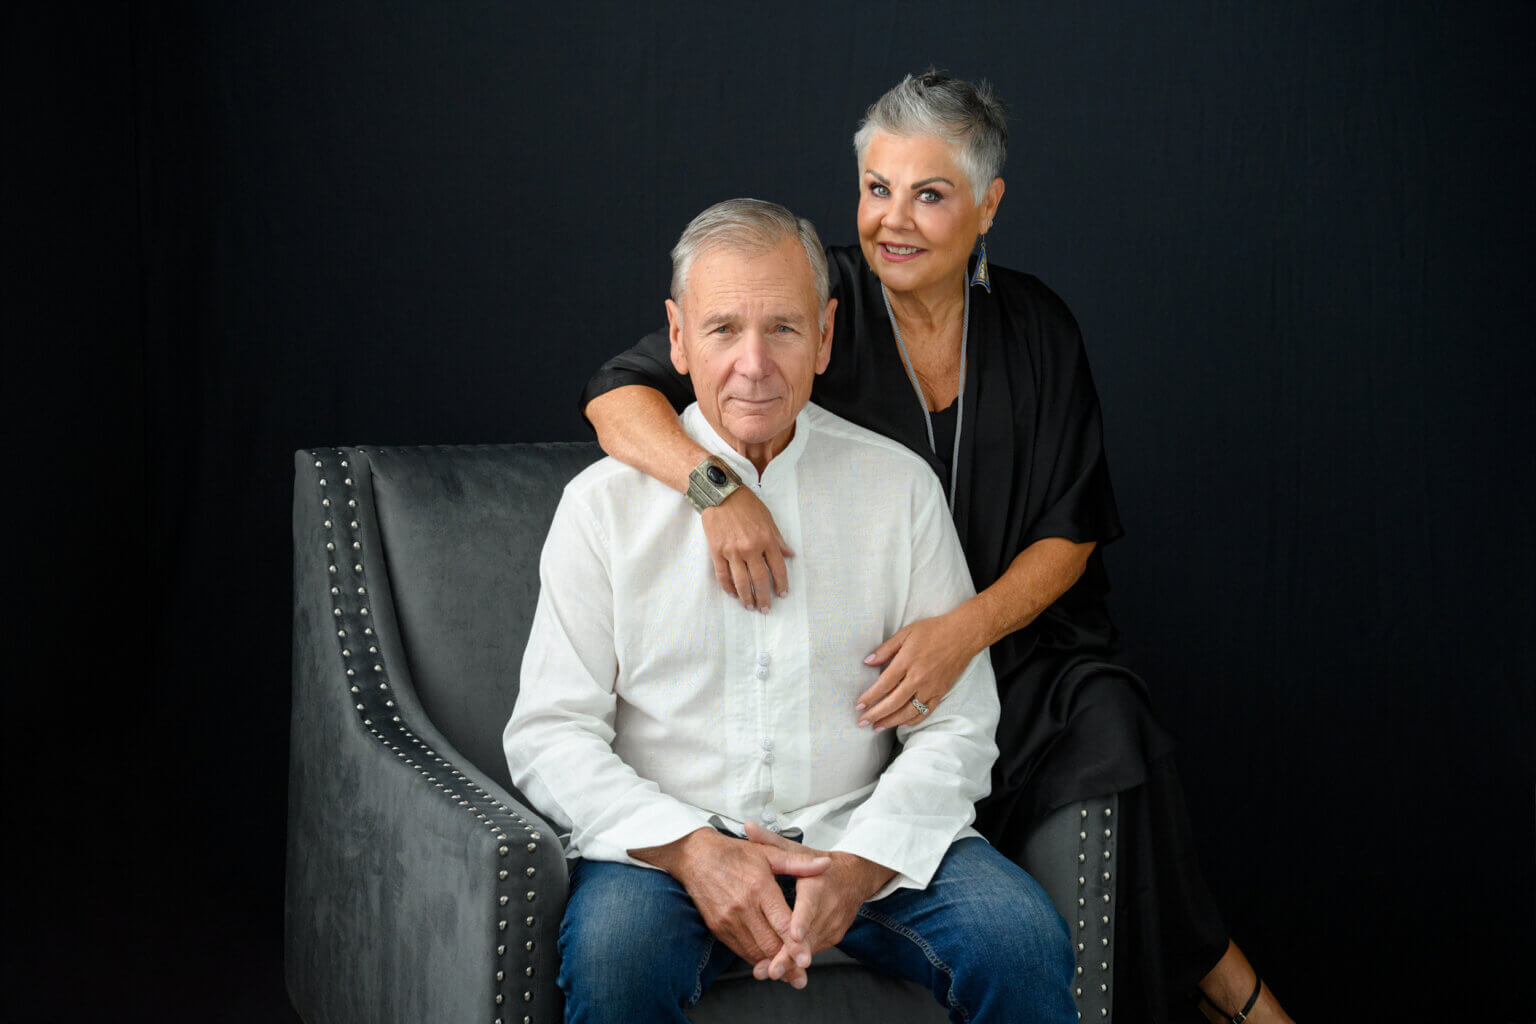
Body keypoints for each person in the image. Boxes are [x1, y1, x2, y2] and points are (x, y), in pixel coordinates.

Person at [580, 74, 1296, 1024]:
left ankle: (1217, 987)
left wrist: (962, 632)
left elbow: (1071, 527)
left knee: (1110, 726)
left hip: (1012, 635)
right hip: (860, 654)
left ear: (988, 205)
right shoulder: (803, 295)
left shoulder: (1036, 326)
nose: (894, 220)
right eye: (878, 188)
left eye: (930, 193)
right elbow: (619, 395)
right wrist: (716, 491)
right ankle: (1227, 992)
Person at [506, 198, 1077, 1023]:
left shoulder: (899, 490)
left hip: (858, 827)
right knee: (615, 961)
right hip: (665, 848)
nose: (754, 365)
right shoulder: (601, 508)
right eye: (722, 329)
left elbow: (956, 723)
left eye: (782, 328)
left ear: (826, 334)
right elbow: (550, 733)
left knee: (1022, 943)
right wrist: (692, 851)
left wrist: (861, 862)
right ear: (675, 338)